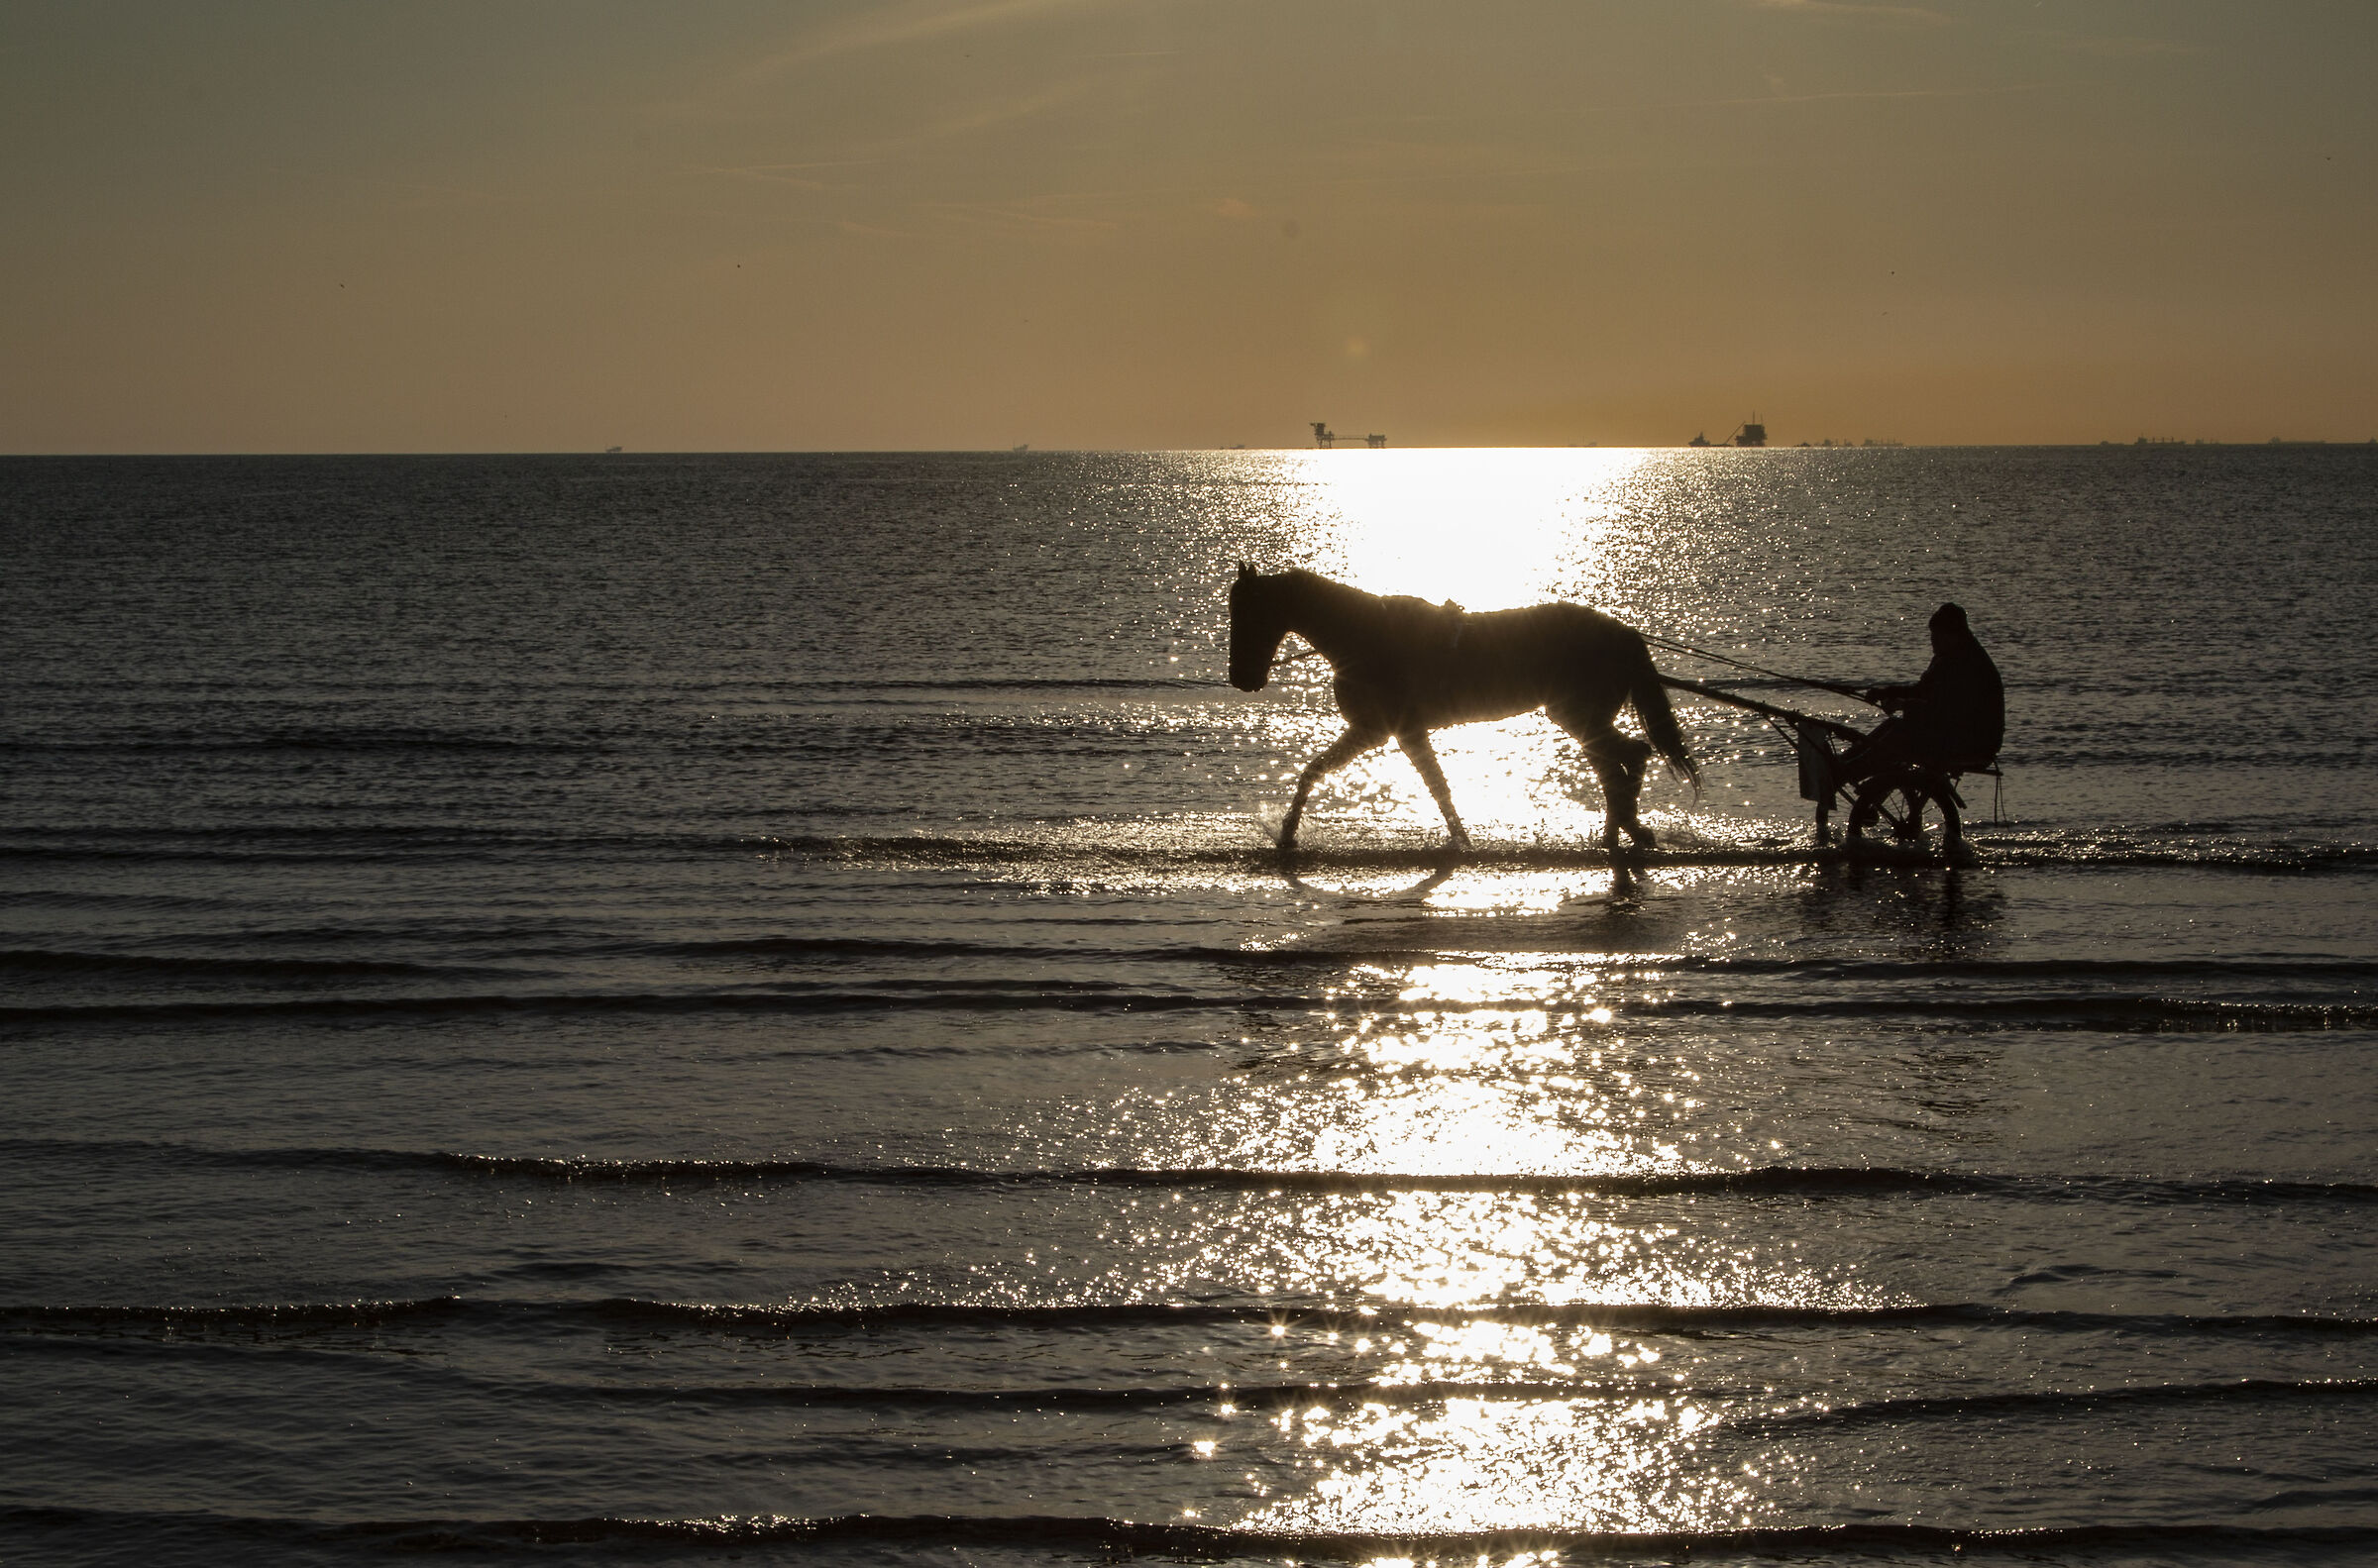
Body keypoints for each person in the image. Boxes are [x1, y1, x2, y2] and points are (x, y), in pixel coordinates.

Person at [1841, 601, 2003, 786]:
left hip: (1972, 743)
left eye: (1937, 635)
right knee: (1892, 725)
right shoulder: (1950, 656)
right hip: (1955, 733)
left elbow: (1945, 710)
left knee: (1899, 735)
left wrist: (1903, 704)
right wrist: (1884, 692)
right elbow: (1922, 690)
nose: (1932, 640)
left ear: (1953, 635)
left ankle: (1847, 772)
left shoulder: (1968, 665)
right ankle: (1845, 762)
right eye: (1933, 635)